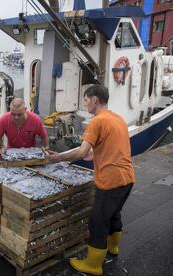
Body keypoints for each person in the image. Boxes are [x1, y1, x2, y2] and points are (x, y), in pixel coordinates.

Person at [47, 85, 135, 276]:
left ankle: (93, 265)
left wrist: (58, 157)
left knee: (97, 221)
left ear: (95, 100)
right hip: (127, 178)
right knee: (114, 215)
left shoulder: (97, 121)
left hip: (110, 180)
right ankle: (113, 248)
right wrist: (96, 152)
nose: (85, 104)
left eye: (86, 100)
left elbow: (80, 151)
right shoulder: (117, 118)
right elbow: (115, 145)